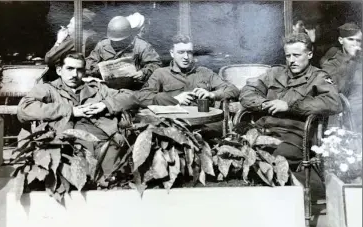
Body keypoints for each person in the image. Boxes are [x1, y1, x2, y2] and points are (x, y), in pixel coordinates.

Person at [240, 33, 342, 198]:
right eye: (288, 56)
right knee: (235, 152)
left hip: (294, 135)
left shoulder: (319, 77)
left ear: (309, 54)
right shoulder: (274, 73)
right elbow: (247, 92)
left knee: (270, 159)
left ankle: (280, 200)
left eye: (296, 55)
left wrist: (290, 107)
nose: (291, 60)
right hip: (261, 130)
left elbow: (333, 102)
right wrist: (264, 104)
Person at [17, 52, 139, 177]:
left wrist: (106, 104)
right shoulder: (48, 89)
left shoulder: (96, 88)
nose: (74, 74)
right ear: (59, 70)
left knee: (115, 175)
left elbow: (131, 97)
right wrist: (70, 110)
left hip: (103, 141)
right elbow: (24, 109)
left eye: (79, 70)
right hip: (70, 143)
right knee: (84, 175)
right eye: (69, 69)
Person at [136, 34, 239, 107]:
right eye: (181, 52)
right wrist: (174, 99)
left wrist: (212, 95)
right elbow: (142, 97)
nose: (186, 57)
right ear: (172, 53)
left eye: (189, 52)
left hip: (204, 123)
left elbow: (233, 89)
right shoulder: (161, 74)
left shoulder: (204, 72)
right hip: (173, 123)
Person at [85, 16, 161, 90]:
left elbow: (156, 64)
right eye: (113, 41)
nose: (117, 43)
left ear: (128, 36)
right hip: (107, 88)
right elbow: (89, 64)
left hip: (134, 87)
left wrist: (143, 73)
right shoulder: (102, 45)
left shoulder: (142, 46)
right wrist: (99, 70)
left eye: (121, 40)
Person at [320, 23, 362, 133]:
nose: (355, 44)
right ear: (341, 40)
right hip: (348, 115)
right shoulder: (331, 64)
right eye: (350, 39)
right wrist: (350, 59)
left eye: (358, 41)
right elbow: (338, 89)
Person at [41, 9, 100, 83]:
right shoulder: (94, 35)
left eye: (71, 23)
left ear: (79, 27)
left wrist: (59, 40)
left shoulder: (74, 38)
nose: (68, 26)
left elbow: (49, 59)